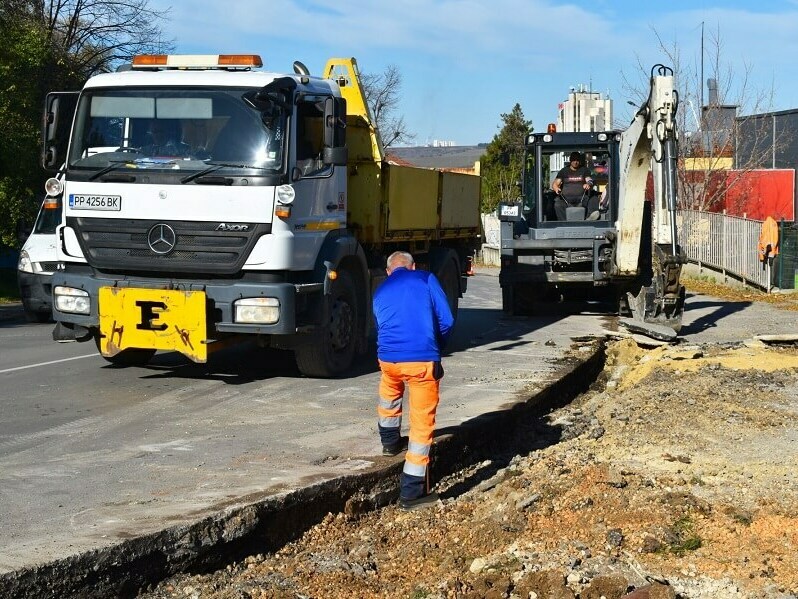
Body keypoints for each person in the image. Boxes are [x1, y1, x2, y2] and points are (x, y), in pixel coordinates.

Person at [372, 251, 454, 510]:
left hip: (388, 360)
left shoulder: (380, 290)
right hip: (421, 361)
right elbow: (447, 320)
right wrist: (436, 347)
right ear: (413, 266)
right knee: (421, 424)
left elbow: (380, 325)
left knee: (389, 396)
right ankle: (411, 493)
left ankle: (389, 443)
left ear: (389, 271)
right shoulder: (426, 279)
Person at [551, 151, 594, 220]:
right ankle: (564, 223)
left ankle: (588, 220)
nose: (575, 162)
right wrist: (556, 188)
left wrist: (588, 184)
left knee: (592, 200)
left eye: (577, 160)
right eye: (573, 160)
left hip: (581, 199)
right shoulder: (564, 171)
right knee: (558, 204)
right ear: (570, 160)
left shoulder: (584, 170)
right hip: (565, 200)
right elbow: (555, 184)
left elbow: (589, 180)